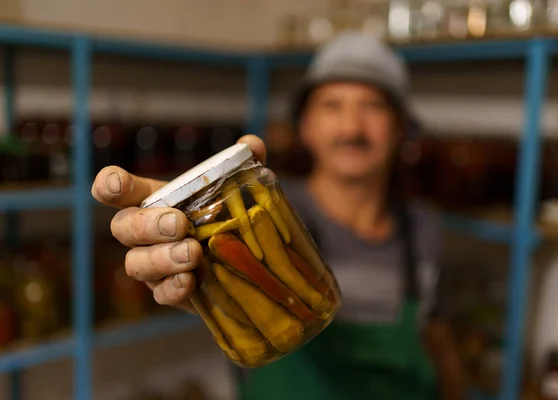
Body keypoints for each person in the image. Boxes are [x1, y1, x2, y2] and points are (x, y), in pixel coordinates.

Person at [92, 31, 468, 399]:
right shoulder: (266, 209)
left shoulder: (423, 229)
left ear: (401, 126)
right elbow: (217, 261)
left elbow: (436, 336)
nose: (352, 127)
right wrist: (184, 249)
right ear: (305, 125)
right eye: (332, 105)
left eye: (373, 106)